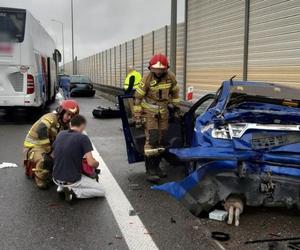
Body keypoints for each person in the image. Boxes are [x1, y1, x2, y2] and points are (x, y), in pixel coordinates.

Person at [133, 54, 180, 183]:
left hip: (163, 113)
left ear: (166, 68)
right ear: (151, 68)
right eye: (156, 69)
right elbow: (137, 98)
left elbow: (175, 93)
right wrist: (137, 116)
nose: (159, 71)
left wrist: (176, 108)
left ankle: (157, 167)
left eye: (161, 69)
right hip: (149, 113)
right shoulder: (146, 79)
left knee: (161, 140)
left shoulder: (170, 77)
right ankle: (150, 170)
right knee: (152, 139)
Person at [23, 100, 80, 189]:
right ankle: (41, 181)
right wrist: (50, 151)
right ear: (61, 111)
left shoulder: (64, 124)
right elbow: (41, 129)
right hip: (34, 147)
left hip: (47, 147)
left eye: (72, 116)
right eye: (68, 114)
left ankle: (52, 172)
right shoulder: (50, 117)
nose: (69, 118)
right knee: (46, 160)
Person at [52, 115, 105, 201]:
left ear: (70, 124)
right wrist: (97, 164)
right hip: (72, 179)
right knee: (101, 191)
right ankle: (74, 192)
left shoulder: (60, 134)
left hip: (56, 177)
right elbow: (91, 163)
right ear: (83, 125)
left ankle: (62, 187)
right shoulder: (83, 138)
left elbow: (53, 155)